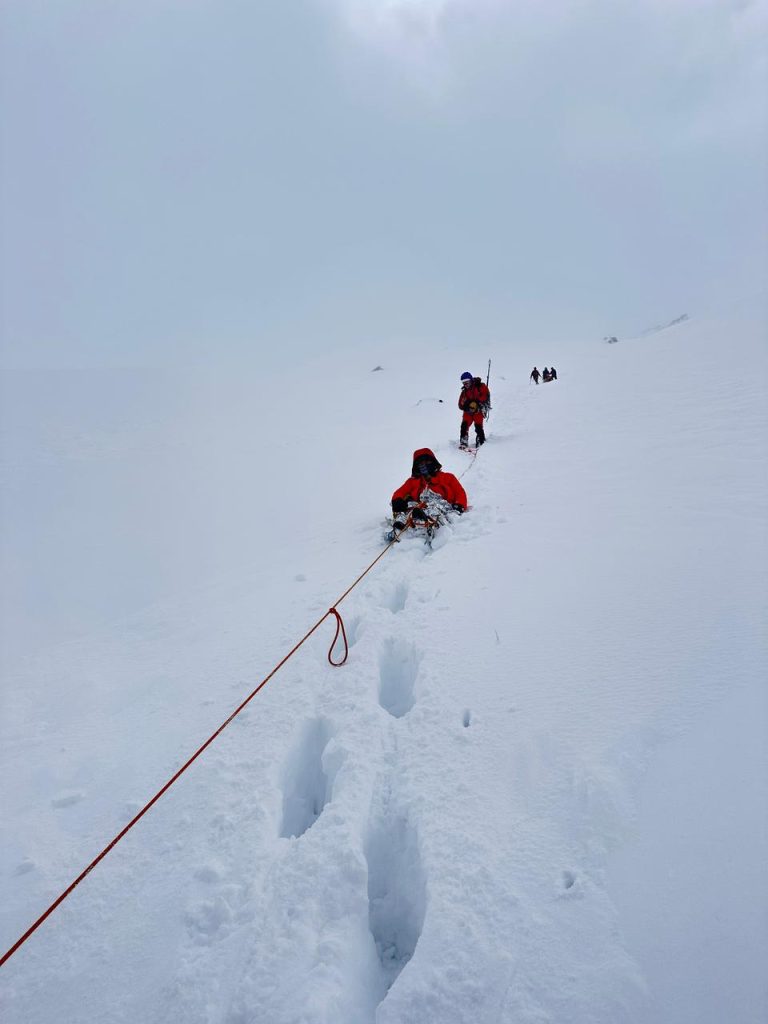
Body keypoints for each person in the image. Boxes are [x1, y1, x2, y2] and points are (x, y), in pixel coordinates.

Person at [391, 448, 467, 531]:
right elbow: (400, 492)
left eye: (426, 462)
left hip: (441, 507)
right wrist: (397, 500)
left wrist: (460, 505)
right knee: (408, 504)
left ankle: (427, 520)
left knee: (435, 506)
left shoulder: (448, 477)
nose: (423, 466)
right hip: (418, 507)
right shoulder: (412, 482)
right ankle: (402, 522)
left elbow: (460, 492)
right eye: (420, 464)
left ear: (433, 462)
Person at [458, 371, 491, 449]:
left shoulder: (481, 386)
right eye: (464, 383)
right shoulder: (464, 392)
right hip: (468, 411)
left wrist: (476, 403)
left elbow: (485, 396)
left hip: (478, 410)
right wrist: (467, 405)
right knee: (464, 425)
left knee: (478, 425)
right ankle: (464, 440)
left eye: (467, 382)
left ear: (471, 380)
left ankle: (480, 439)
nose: (466, 385)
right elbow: (460, 404)